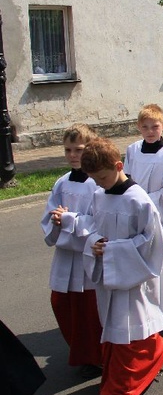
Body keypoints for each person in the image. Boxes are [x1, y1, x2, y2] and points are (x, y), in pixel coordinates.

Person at [80, 138, 163, 395]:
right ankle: (158, 350)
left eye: (103, 177)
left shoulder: (138, 199)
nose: (100, 184)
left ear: (119, 166)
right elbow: (92, 227)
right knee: (118, 329)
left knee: (127, 335)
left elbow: (153, 242)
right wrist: (94, 243)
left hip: (133, 277)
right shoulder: (99, 195)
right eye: (95, 180)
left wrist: (112, 252)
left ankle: (120, 391)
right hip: (109, 277)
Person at [41, 123, 103, 379]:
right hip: (66, 257)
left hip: (88, 257)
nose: (72, 155)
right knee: (63, 305)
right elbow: (49, 214)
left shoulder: (97, 182)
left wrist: (70, 219)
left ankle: (97, 356)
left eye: (78, 149)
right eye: (68, 150)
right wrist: (54, 220)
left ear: (90, 148)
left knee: (89, 311)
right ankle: (82, 352)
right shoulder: (61, 182)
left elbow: (100, 219)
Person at [124, 104, 163, 294]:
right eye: (145, 127)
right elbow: (127, 177)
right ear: (138, 127)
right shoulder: (133, 149)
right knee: (145, 257)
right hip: (137, 209)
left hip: (161, 212)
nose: (150, 132)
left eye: (155, 127)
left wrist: (147, 199)